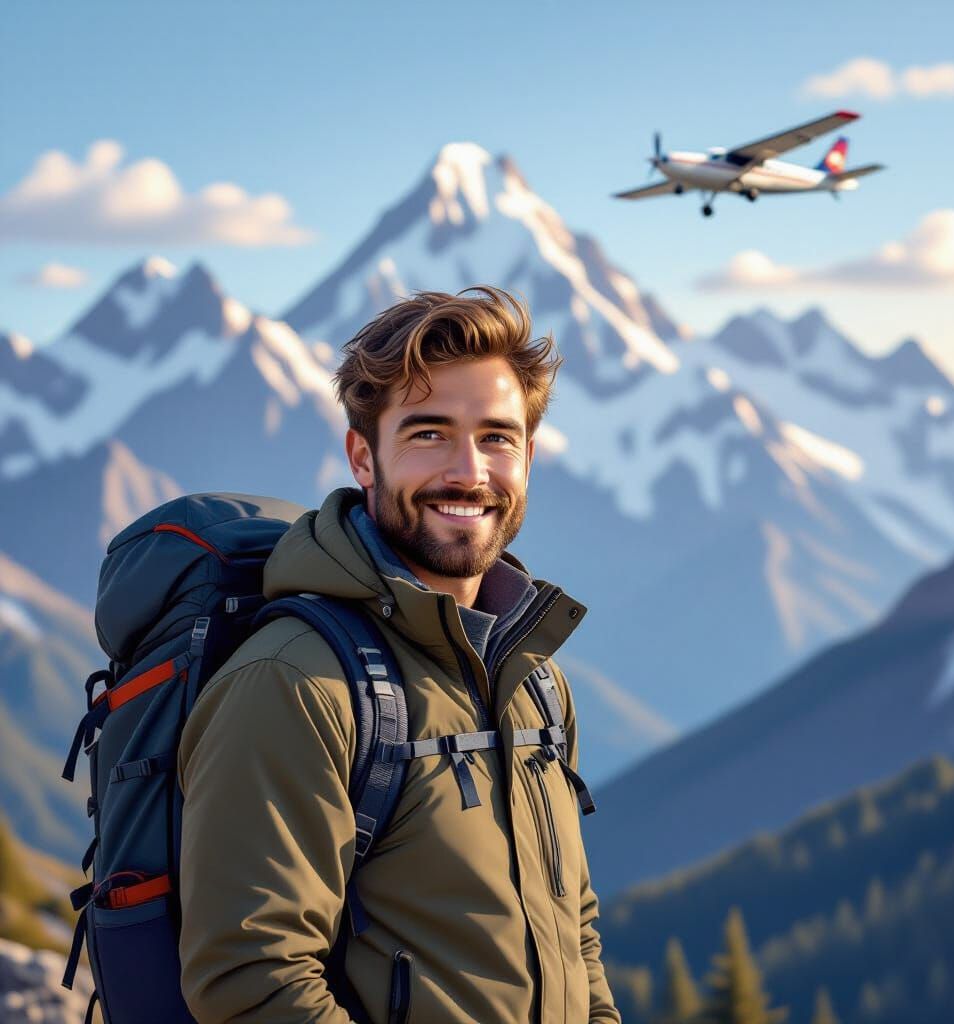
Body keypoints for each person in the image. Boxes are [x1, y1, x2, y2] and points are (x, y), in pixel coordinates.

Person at [177, 286, 621, 1023]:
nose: (468, 471)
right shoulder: (293, 682)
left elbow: (574, 935)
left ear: (529, 456)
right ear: (364, 456)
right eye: (428, 434)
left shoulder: (535, 679)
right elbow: (250, 978)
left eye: (497, 437)